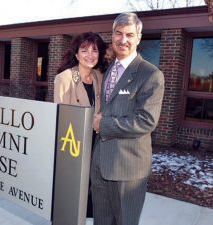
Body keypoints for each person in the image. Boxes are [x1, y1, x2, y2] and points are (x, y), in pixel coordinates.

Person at [92, 12, 164, 225]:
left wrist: (103, 125)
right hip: (100, 164)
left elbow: (146, 120)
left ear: (138, 38)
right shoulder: (109, 70)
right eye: (118, 33)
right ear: (112, 35)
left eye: (129, 35)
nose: (123, 40)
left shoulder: (150, 75)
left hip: (128, 168)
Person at [54, 32, 107, 218]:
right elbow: (60, 118)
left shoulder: (99, 76)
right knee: (73, 197)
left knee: (90, 195)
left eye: (94, 50)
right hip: (74, 144)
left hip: (96, 142)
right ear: (76, 54)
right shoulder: (65, 78)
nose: (90, 55)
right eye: (84, 50)